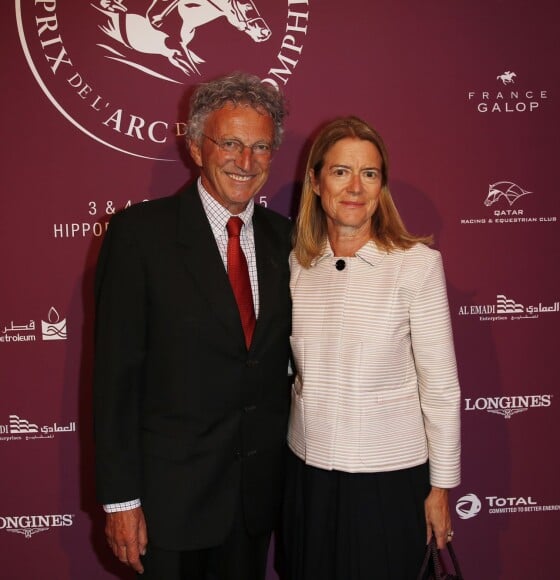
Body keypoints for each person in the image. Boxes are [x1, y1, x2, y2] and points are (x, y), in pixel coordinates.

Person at [93, 72, 292, 579]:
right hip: (169, 505)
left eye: (260, 147)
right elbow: (116, 381)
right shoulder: (140, 236)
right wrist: (120, 501)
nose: (245, 162)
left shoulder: (287, 240)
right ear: (197, 147)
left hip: (256, 504)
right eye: (230, 143)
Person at [283, 116, 461, 579]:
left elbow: (440, 388)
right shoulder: (297, 267)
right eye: (341, 171)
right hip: (309, 476)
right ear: (317, 181)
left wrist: (440, 488)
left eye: (370, 173)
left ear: (382, 186)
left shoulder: (415, 266)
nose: (355, 187)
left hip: (389, 482)